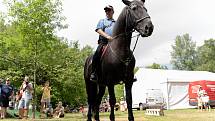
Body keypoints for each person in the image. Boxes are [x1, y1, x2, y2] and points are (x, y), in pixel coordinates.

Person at [90, 5, 115, 82]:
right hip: (104, 42)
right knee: (97, 54)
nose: (107, 12)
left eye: (109, 10)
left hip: (115, 43)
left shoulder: (116, 22)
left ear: (112, 12)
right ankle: (93, 73)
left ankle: (129, 74)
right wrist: (107, 36)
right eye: (106, 10)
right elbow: (98, 30)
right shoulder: (102, 21)